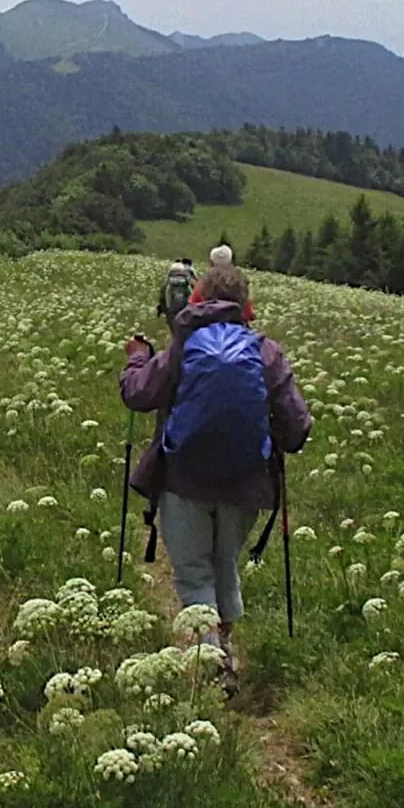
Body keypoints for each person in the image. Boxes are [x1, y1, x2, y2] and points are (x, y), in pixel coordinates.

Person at [120, 263, 311, 691]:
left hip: (184, 480)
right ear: (246, 305)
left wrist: (136, 359)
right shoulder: (266, 352)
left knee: (194, 574)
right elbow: (298, 429)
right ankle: (224, 647)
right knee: (224, 564)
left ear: (198, 298)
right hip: (246, 483)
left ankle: (212, 665)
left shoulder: (183, 347)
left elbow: (139, 395)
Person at [190, 244, 254, 323]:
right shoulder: (238, 282)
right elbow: (249, 314)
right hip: (235, 329)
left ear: (212, 262)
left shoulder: (203, 283)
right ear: (231, 261)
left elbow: (192, 307)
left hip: (208, 328)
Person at [155, 258, 196, 325]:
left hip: (171, 292)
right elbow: (195, 278)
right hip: (185, 286)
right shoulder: (189, 269)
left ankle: (162, 308)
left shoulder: (172, 270)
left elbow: (167, 279)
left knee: (165, 294)